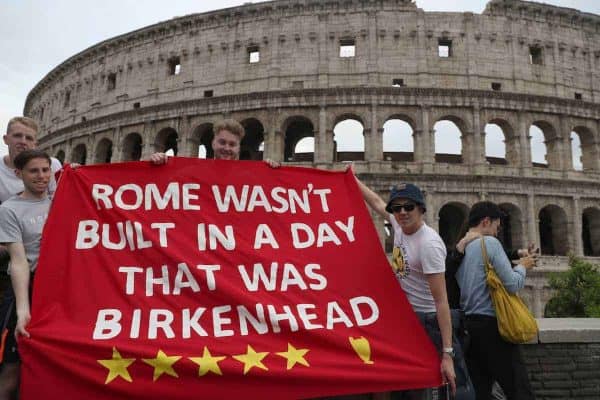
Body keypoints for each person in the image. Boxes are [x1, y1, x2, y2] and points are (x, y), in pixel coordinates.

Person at [354, 176, 474, 400]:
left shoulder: (428, 244)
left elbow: (441, 301)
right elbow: (377, 203)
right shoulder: (400, 225)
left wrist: (447, 353)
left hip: (431, 325)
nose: (402, 212)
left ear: (421, 209)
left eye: (409, 207)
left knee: (436, 387)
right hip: (407, 319)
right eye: (397, 208)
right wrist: (351, 178)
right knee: (400, 381)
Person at [0, 118, 61, 400]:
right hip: (27, 286)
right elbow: (19, 261)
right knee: (11, 372)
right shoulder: (10, 209)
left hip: (57, 287)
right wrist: (24, 308)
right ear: (19, 173)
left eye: (46, 170)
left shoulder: (59, 199)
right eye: (33, 171)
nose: (41, 176)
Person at [455, 201, 536, 400]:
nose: (497, 232)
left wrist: (516, 256)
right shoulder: (490, 243)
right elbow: (513, 284)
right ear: (486, 222)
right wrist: (523, 266)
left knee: (481, 390)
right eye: (496, 227)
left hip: (469, 328)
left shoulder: (461, 248)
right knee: (519, 389)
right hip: (494, 327)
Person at [150, 119, 245, 164]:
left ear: (239, 148)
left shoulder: (251, 179)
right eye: (222, 142)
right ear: (213, 143)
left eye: (232, 144)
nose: (227, 148)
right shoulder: (194, 172)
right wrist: (157, 167)